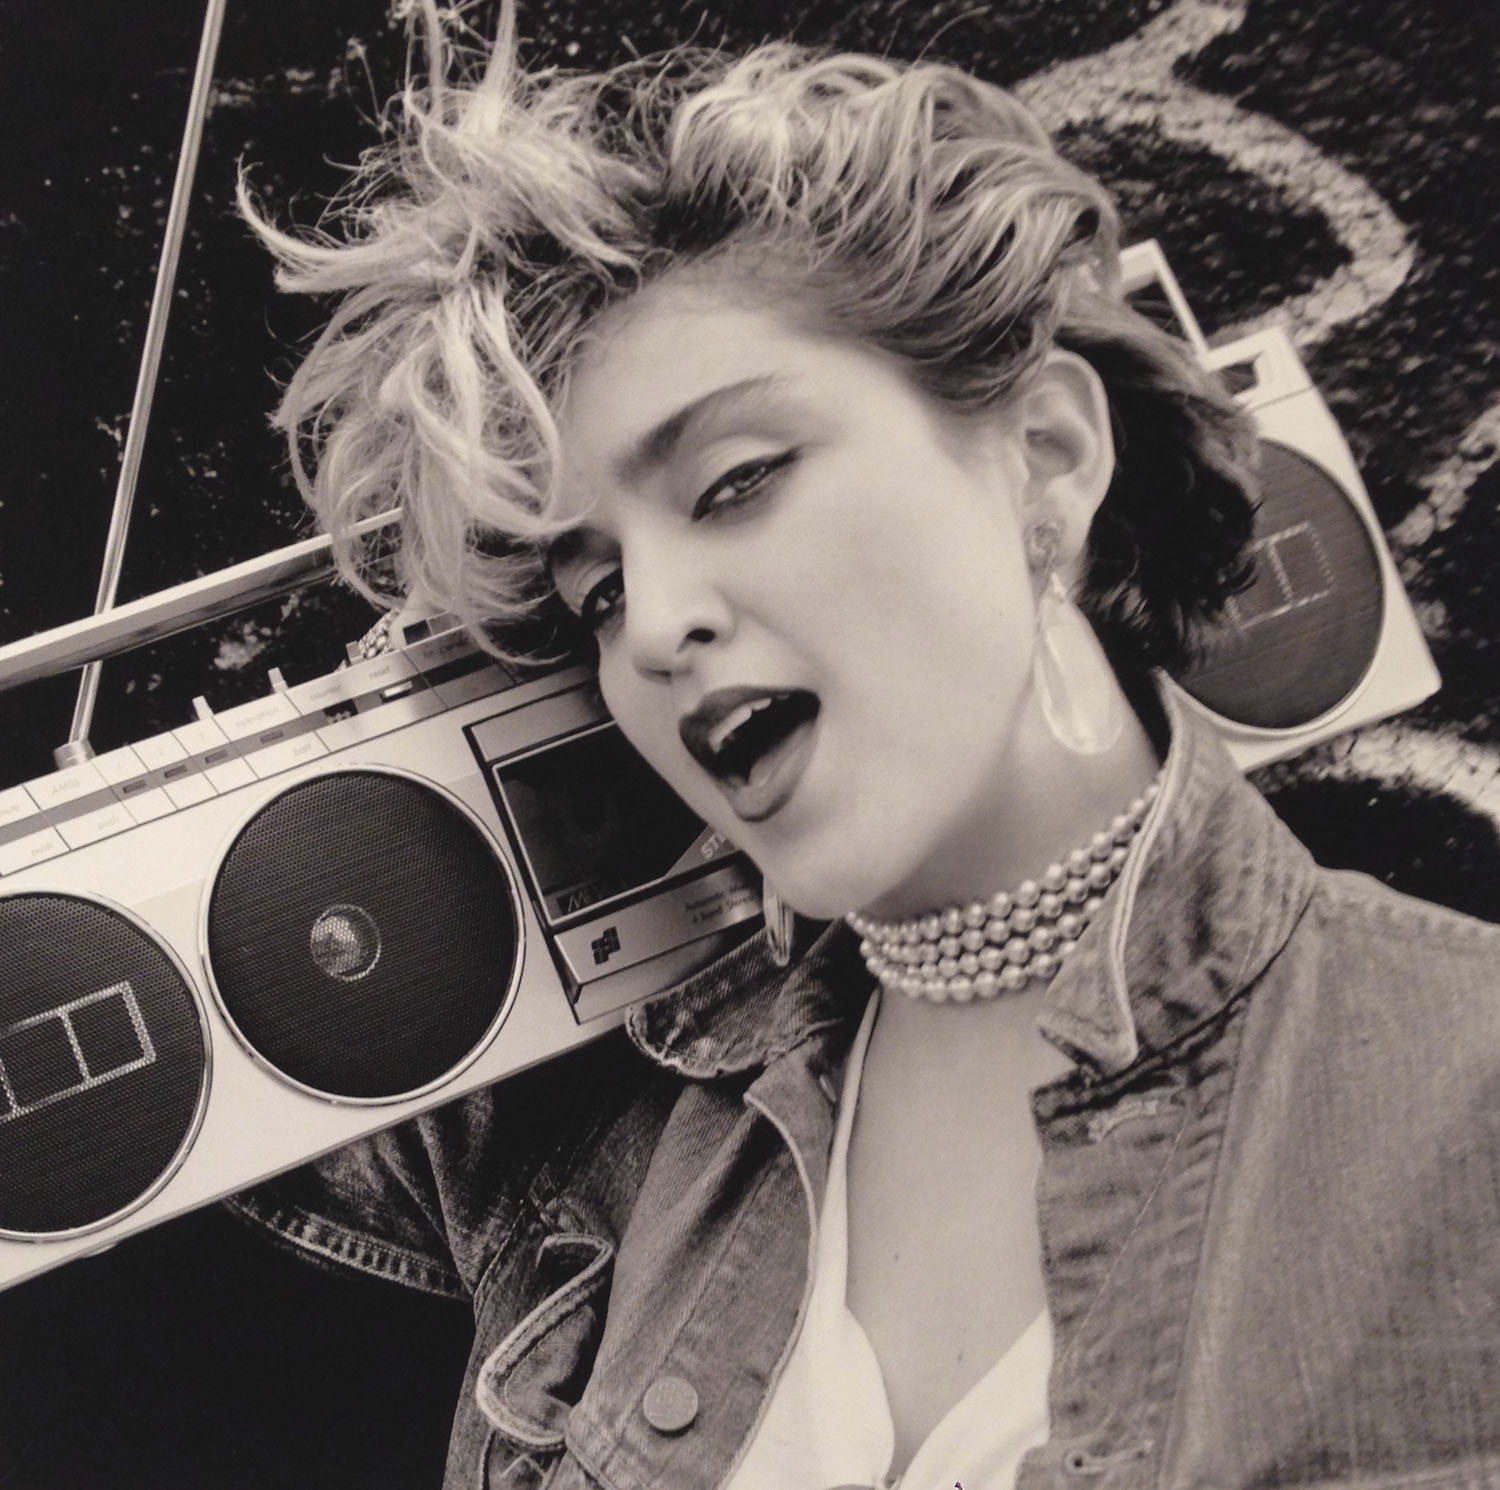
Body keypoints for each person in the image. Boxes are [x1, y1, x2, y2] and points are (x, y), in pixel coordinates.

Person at [231, 5, 1500, 1487]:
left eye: (735, 482)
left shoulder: (1458, 1088)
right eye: (598, 592)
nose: (656, 627)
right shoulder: (607, 1166)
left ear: (1046, 454)